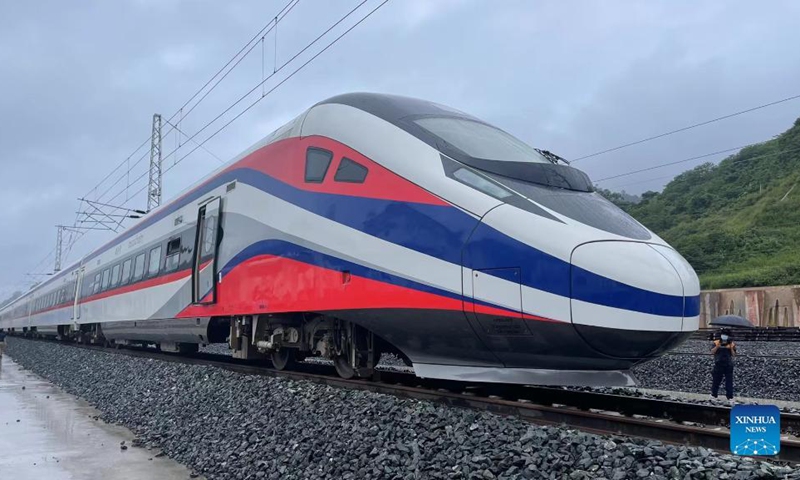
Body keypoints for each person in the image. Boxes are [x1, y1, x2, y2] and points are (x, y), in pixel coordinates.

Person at [710, 327, 737, 405]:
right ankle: (714, 395)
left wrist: (731, 348)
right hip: (718, 364)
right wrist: (717, 346)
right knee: (716, 380)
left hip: (728, 365)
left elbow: (734, 354)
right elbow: (712, 351)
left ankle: (730, 397)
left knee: (729, 382)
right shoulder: (716, 342)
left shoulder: (731, 343)